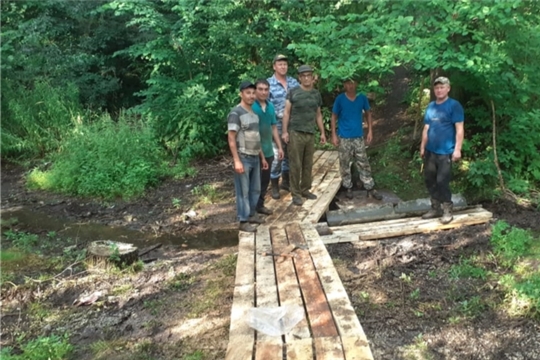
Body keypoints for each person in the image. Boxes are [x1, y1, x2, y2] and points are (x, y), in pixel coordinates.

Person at [420, 76, 464, 224]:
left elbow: (459, 129)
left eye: (442, 87)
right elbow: (426, 128)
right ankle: (435, 207)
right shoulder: (431, 106)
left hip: (446, 151)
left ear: (448, 88)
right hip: (431, 151)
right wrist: (422, 146)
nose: (439, 90)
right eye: (437, 88)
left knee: (442, 181)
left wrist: (457, 149)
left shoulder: (454, 105)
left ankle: (447, 210)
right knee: (429, 180)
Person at [330, 78, 382, 200]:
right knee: (345, 163)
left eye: (353, 83)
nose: (350, 86)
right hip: (344, 137)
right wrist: (333, 134)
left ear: (356, 83)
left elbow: (368, 113)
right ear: (344, 85)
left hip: (358, 136)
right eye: (348, 83)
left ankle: (369, 187)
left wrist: (370, 131)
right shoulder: (340, 99)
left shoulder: (362, 97)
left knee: (363, 161)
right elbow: (333, 116)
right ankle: (348, 187)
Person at [281, 65, 327, 206]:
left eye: (309, 75)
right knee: (295, 164)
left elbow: (318, 114)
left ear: (312, 77)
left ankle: (305, 189)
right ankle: (295, 193)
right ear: (299, 78)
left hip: (310, 132)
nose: (306, 78)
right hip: (295, 132)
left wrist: (323, 133)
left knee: (308, 163)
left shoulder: (315, 94)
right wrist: (284, 132)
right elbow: (286, 113)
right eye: (303, 76)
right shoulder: (293, 92)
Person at [227, 81, 269, 232]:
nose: (251, 96)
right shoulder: (235, 113)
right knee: (243, 191)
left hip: (255, 157)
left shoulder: (254, 114)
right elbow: (231, 138)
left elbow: (256, 137)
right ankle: (243, 221)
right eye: (248, 93)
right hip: (243, 157)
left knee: (255, 189)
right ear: (241, 94)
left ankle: (252, 214)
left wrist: (262, 157)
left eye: (253, 93)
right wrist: (236, 160)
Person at [267, 54, 300, 199]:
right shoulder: (268, 84)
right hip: (276, 124)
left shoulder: (293, 82)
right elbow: (264, 105)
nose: (283, 67)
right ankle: (274, 185)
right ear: (274, 66)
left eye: (285, 64)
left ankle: (286, 182)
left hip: (293, 123)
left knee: (290, 154)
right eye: (280, 64)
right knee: (277, 155)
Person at [252, 79, 284, 215]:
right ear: (255, 90)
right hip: (254, 151)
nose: (263, 92)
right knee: (254, 182)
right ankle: (251, 210)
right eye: (260, 89)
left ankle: (260, 205)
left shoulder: (270, 106)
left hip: (268, 149)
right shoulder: (251, 107)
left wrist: (280, 147)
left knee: (265, 180)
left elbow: (274, 127)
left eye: (266, 89)